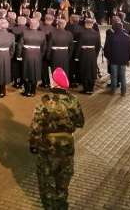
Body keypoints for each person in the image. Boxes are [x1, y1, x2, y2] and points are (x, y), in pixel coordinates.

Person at [29, 67, 85, 210]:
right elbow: (80, 122)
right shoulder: (73, 100)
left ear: (54, 82)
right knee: (63, 177)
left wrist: (33, 143)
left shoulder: (44, 100)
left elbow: (36, 124)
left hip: (48, 144)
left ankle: (49, 206)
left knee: (46, 179)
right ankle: (62, 205)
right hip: (67, 144)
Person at [17, 18, 47, 97]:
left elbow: (20, 46)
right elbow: (44, 47)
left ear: (30, 25)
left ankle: (27, 91)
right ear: (38, 26)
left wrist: (19, 55)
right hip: (37, 54)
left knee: (26, 72)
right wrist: (41, 55)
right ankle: (33, 91)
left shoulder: (24, 32)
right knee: (35, 73)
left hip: (27, 54)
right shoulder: (42, 34)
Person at [104, 21, 130, 96]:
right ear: (122, 28)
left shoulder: (111, 36)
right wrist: (128, 59)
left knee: (114, 75)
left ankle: (113, 91)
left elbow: (107, 48)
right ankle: (123, 91)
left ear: (114, 27)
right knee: (122, 75)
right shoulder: (127, 37)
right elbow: (129, 49)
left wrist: (107, 57)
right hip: (123, 59)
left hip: (113, 58)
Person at [76, 18, 101, 95]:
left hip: (84, 53)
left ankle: (86, 89)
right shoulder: (97, 34)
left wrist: (77, 56)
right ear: (92, 25)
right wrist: (95, 54)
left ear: (85, 24)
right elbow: (98, 46)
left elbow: (78, 46)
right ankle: (91, 89)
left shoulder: (81, 33)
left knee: (84, 70)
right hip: (92, 53)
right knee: (92, 71)